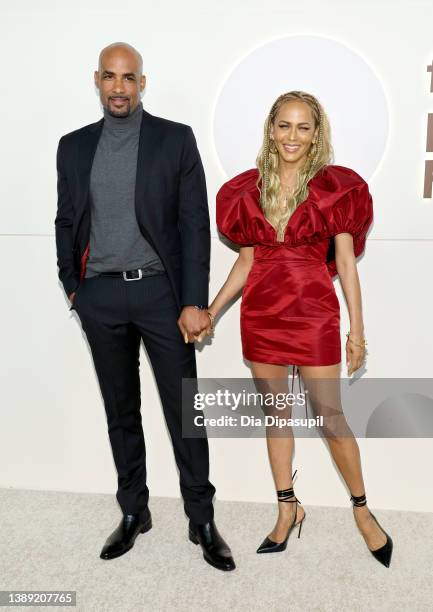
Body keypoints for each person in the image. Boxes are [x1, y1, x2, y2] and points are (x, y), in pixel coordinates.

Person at [54, 42, 235, 571]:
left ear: (142, 83)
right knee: (121, 411)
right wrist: (73, 285)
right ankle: (134, 511)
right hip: (100, 295)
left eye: (128, 78)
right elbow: (66, 219)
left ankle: (201, 519)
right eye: (110, 77)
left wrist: (192, 302)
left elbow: (193, 226)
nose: (119, 87)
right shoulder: (73, 146)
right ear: (97, 80)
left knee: (185, 412)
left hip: (161, 295)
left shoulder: (174, 140)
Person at [208, 91, 393, 567]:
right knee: (277, 417)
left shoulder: (337, 188)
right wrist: (212, 310)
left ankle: (362, 511)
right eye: (284, 126)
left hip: (313, 313)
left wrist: (357, 332)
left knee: (331, 417)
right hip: (262, 315)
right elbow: (246, 262)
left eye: (303, 127)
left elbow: (347, 265)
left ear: (317, 133)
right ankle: (287, 507)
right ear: (271, 129)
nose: (293, 136)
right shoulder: (246, 191)